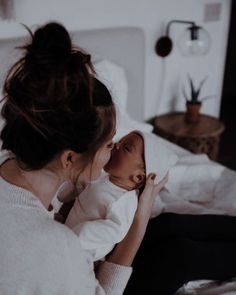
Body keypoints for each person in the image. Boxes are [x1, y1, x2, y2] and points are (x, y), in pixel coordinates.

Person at [0, 22, 167, 295]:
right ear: (69, 158)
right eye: (109, 144)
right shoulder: (61, 249)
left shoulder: (8, 163)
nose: (112, 151)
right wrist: (141, 217)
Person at [65, 130, 177, 261]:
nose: (116, 145)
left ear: (138, 177)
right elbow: (83, 187)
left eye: (126, 147)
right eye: (119, 141)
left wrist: (80, 234)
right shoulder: (102, 177)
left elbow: (116, 230)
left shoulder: (125, 200)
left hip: (85, 248)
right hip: (68, 235)